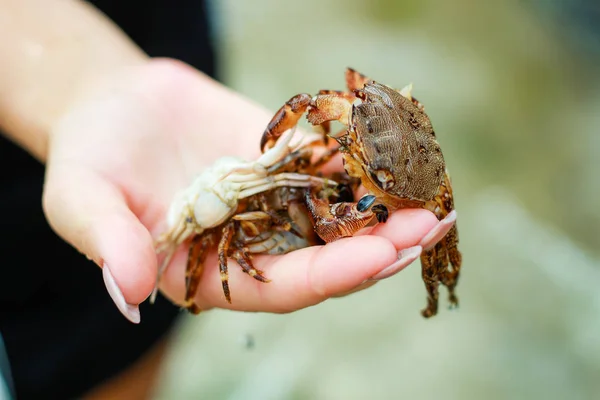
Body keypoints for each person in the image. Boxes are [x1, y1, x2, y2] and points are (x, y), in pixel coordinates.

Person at [0, 1, 454, 399]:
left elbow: (347, 225)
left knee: (106, 351)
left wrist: (424, 266)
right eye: (353, 126)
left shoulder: (424, 189)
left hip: (152, 31)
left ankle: (439, 293)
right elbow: (314, 105)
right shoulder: (362, 102)